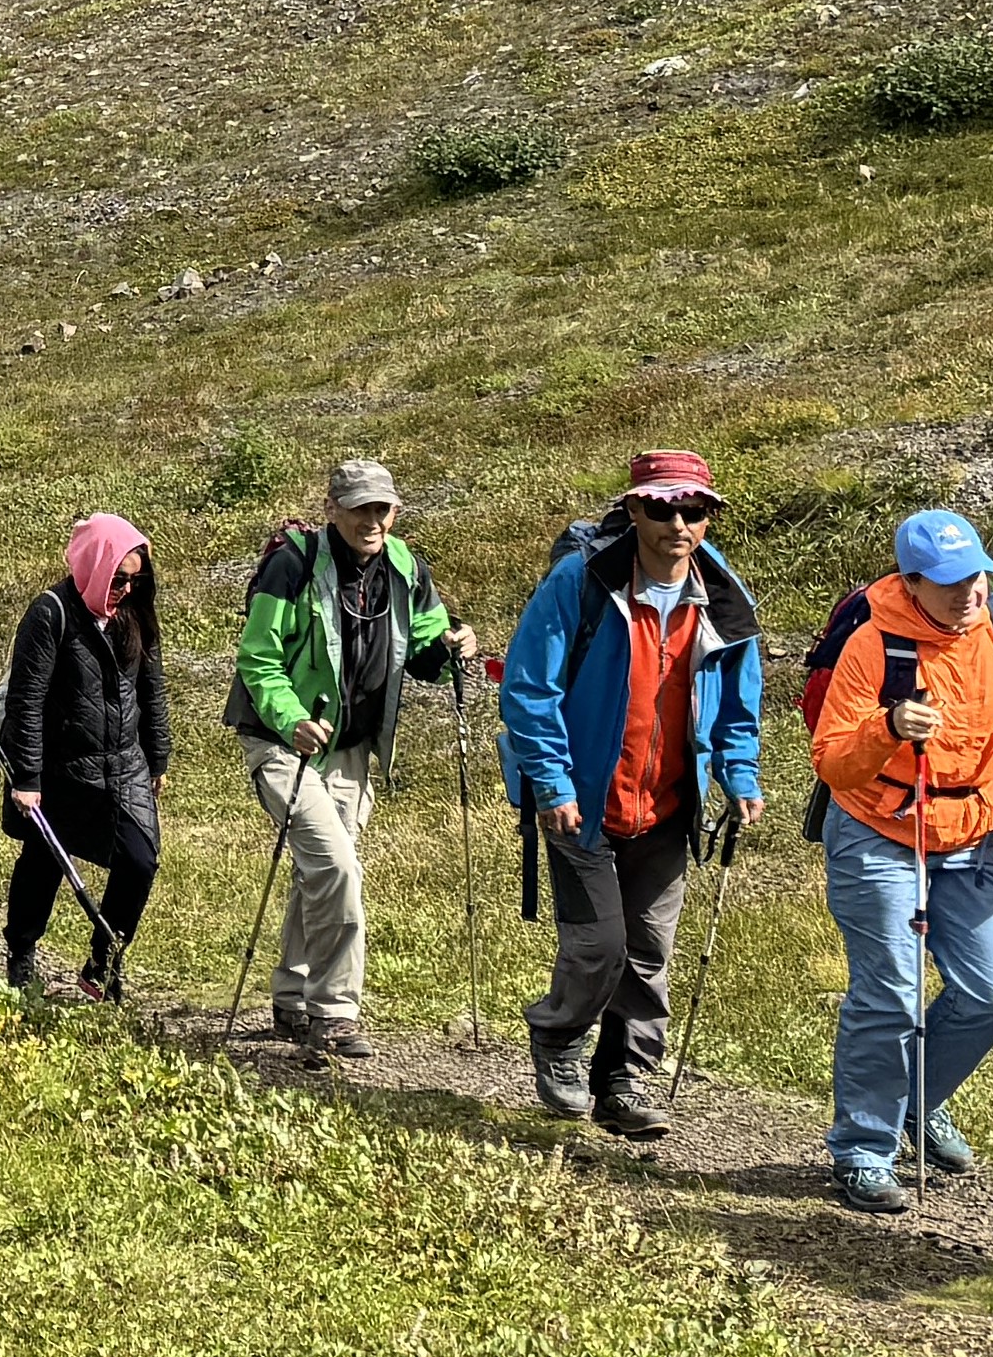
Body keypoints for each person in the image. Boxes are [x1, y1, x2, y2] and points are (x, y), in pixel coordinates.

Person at [496, 449, 767, 1141]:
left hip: (670, 808)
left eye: (694, 509)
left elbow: (738, 703)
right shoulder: (580, 582)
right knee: (600, 946)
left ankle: (623, 1079)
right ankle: (558, 1040)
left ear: (710, 515)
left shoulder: (723, 598)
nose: (678, 522)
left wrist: (739, 774)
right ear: (634, 509)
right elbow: (529, 690)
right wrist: (551, 782)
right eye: (662, 507)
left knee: (648, 951)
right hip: (581, 804)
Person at [810, 508, 993, 1212]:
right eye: (949, 582)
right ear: (911, 581)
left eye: (976, 575)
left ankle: (918, 1098)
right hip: (879, 831)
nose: (968, 593)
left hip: (974, 834)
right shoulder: (873, 644)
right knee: (890, 993)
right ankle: (863, 1151)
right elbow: (833, 762)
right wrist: (888, 728)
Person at [226, 456, 457, 1058]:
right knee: (337, 867)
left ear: (395, 511)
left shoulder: (404, 566)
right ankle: (335, 1012)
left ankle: (292, 997)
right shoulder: (292, 565)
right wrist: (292, 719)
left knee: (322, 873)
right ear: (333, 510)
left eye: (381, 508)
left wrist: (451, 642)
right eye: (359, 508)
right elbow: (257, 658)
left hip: (350, 748)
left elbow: (426, 642)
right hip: (282, 740)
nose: (371, 519)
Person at [0, 513, 167, 999]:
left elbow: (152, 690)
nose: (127, 589)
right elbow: (26, 701)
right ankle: (22, 952)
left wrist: (158, 760)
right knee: (45, 859)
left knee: (140, 861)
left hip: (125, 764)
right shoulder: (50, 613)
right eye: (118, 578)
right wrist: (26, 777)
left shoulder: (135, 614)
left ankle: (103, 962)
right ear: (93, 567)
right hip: (60, 767)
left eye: (137, 579)